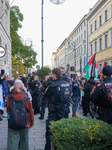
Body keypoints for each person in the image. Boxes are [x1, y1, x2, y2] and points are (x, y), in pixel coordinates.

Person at [45, 68, 71, 150]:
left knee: (49, 131)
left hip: (54, 112)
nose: (51, 76)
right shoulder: (67, 84)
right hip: (65, 111)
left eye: (52, 74)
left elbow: (46, 95)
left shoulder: (53, 85)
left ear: (55, 75)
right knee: (64, 131)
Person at [7, 81, 34, 150]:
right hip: (25, 123)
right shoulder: (26, 99)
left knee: (12, 143)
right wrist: (31, 123)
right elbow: (31, 112)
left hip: (13, 123)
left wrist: (9, 122)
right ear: (22, 88)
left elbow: (8, 111)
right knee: (24, 143)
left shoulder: (10, 98)